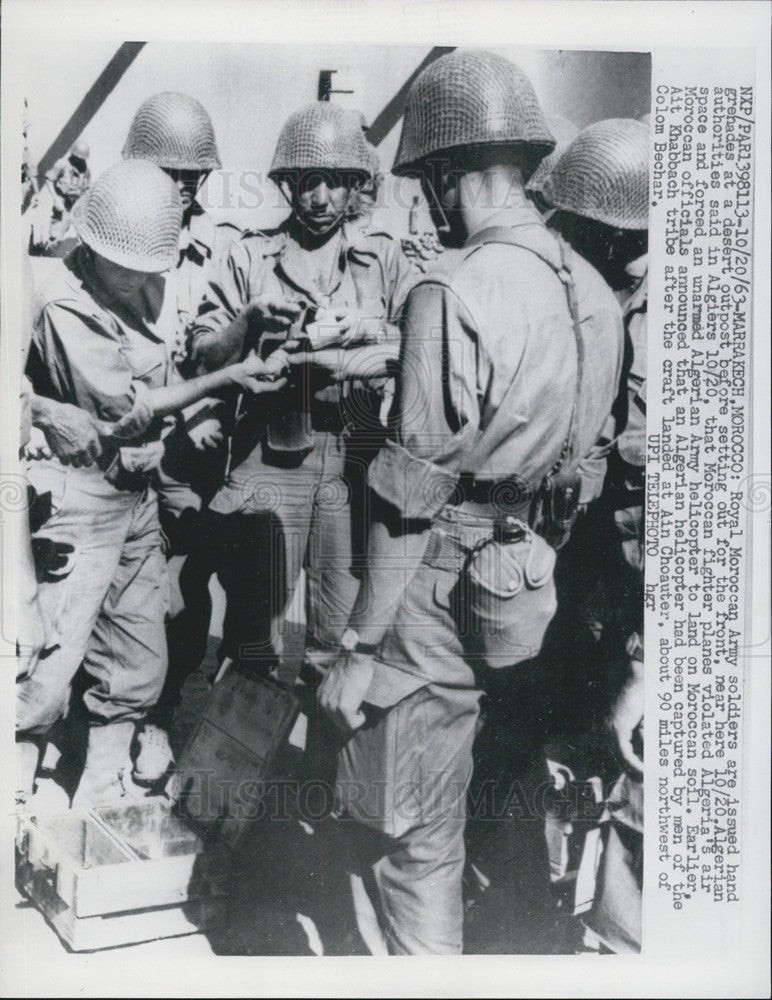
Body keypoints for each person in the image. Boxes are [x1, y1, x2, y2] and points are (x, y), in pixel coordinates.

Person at [317, 49, 625, 954]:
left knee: (407, 835)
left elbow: (410, 495)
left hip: (437, 585)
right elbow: (593, 456)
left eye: (427, 181)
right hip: (533, 579)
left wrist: (359, 649)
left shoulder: (450, 290)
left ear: (448, 175)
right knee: (508, 796)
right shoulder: (597, 293)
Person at [17, 159, 286, 808]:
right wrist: (227, 380)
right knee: (42, 677)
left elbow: (172, 366)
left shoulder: (137, 283)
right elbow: (121, 407)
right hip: (73, 505)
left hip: (131, 501)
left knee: (140, 663)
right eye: (126, 267)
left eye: (148, 270)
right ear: (90, 247)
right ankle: (14, 793)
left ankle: (101, 795)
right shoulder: (61, 301)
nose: (140, 282)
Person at [187, 101, 415, 689]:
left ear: (354, 188)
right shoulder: (248, 256)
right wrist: (249, 319)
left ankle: (314, 773)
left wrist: (360, 341)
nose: (318, 198)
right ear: (288, 185)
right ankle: (223, 777)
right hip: (270, 453)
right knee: (252, 635)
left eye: (334, 183)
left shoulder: (384, 260)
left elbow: (420, 344)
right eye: (305, 181)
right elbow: (203, 354)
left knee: (334, 637)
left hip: (353, 458)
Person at [542, 117, 649, 952]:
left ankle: (598, 918)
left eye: (577, 230)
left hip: (625, 561)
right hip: (578, 547)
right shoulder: (591, 288)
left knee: (616, 726)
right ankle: (554, 883)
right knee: (563, 716)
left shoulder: (659, 305)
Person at [120, 91, 242, 781]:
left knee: (182, 599)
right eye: (172, 172)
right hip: (122, 451)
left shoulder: (220, 249)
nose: (186, 185)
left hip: (187, 458)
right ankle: (100, 719)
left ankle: (158, 720)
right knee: (110, 594)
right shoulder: (102, 243)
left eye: (195, 173)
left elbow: (219, 352)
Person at [28, 141, 91, 257]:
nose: (79, 161)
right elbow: (49, 179)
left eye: (82, 159)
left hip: (76, 202)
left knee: (73, 232)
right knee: (56, 230)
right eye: (77, 158)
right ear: (72, 155)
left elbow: (87, 188)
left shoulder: (85, 169)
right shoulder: (62, 164)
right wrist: (56, 198)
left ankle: (58, 251)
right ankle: (45, 252)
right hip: (62, 200)